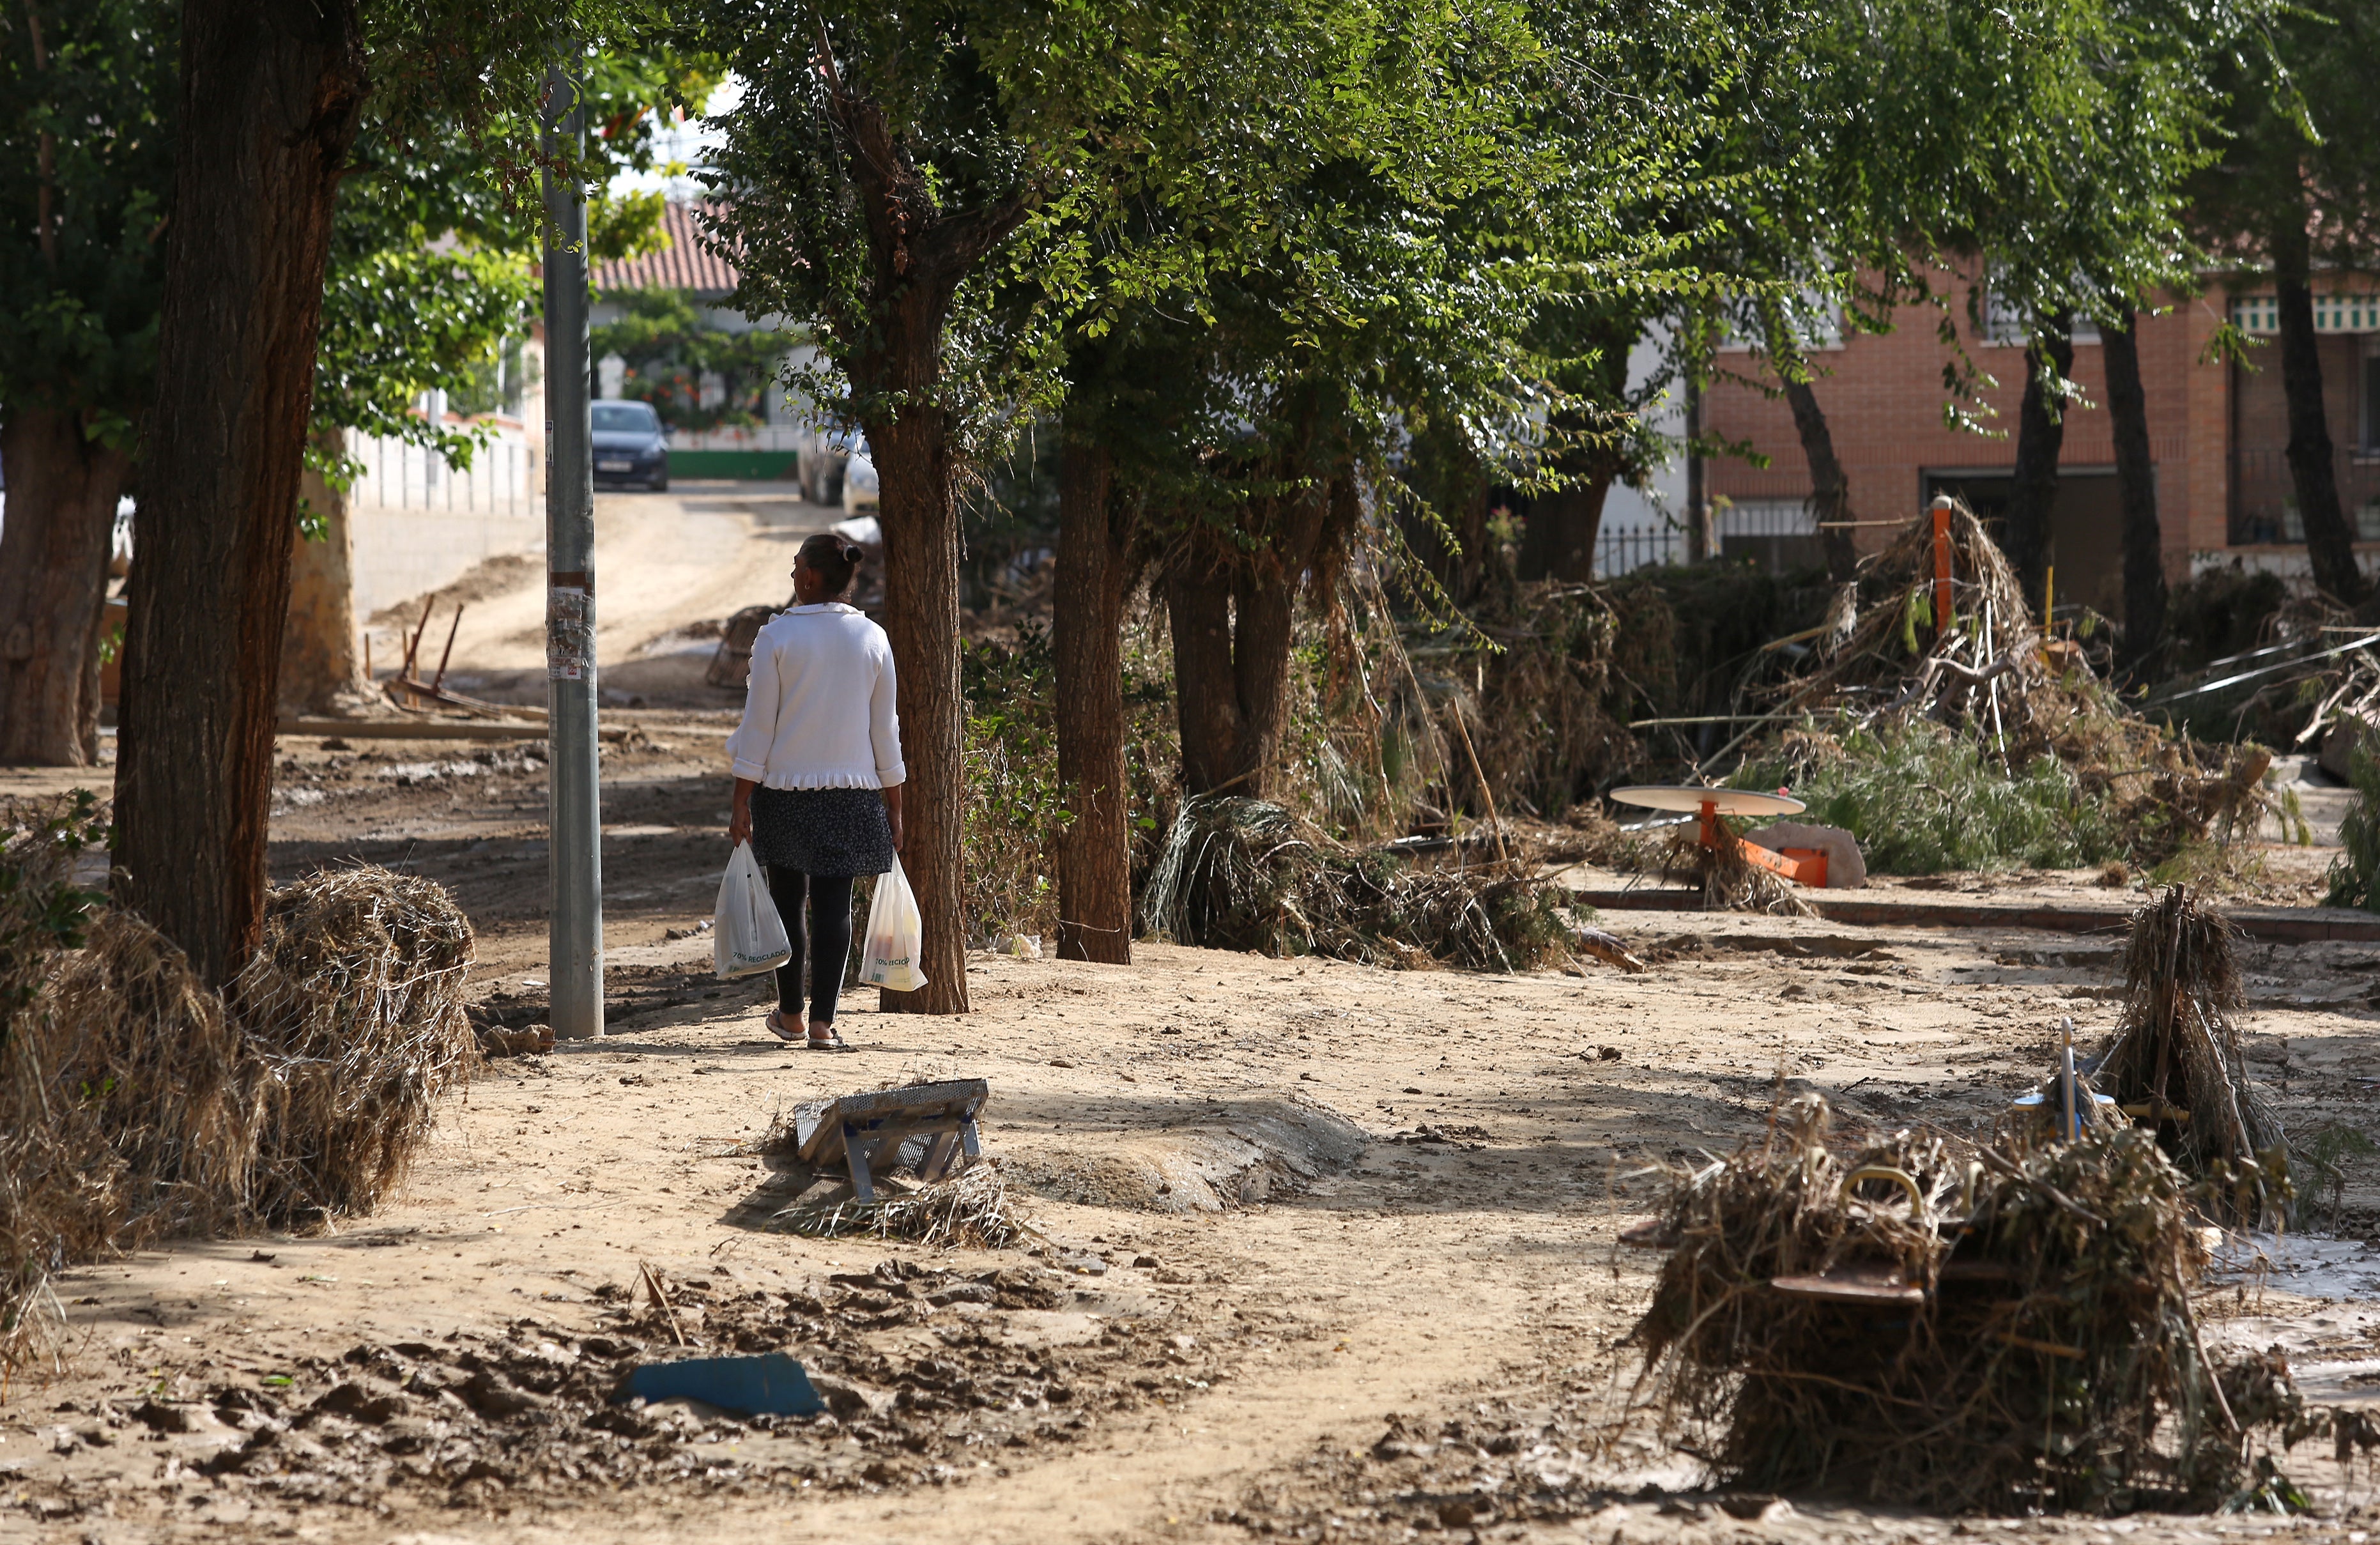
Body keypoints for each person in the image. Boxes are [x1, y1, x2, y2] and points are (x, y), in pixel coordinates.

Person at [725, 533, 905, 1050]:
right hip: (853, 792)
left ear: (808, 577)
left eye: (795, 566)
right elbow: (885, 731)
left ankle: (791, 1016)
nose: (791, 575)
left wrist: (740, 799)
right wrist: (895, 806)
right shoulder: (873, 637)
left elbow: (758, 728)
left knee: (789, 901)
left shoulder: (777, 637)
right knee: (835, 906)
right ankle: (824, 1024)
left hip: (786, 790)